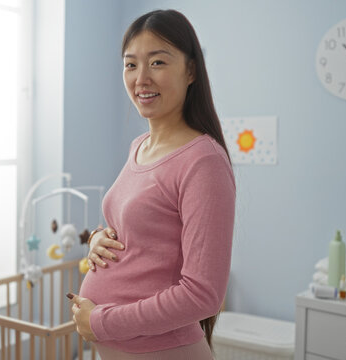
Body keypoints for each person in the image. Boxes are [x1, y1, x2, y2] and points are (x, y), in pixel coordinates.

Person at [67, 9, 236, 359]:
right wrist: (99, 237)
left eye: (157, 62)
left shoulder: (203, 162)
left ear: (191, 70)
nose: (141, 78)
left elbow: (202, 294)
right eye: (131, 65)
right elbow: (142, 230)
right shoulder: (139, 147)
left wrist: (101, 322)